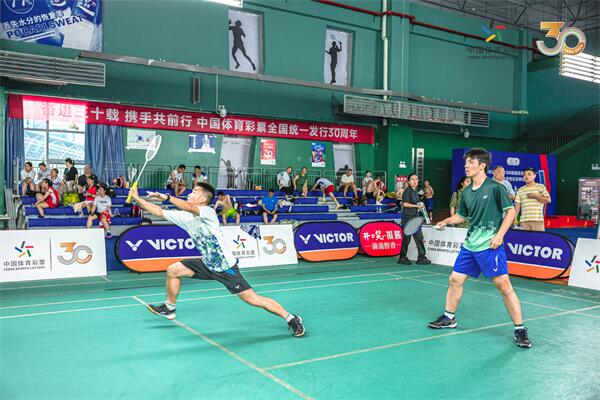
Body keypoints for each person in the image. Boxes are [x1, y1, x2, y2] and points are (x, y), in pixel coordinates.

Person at [128, 184, 305, 337]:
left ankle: (291, 318)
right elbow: (159, 211)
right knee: (173, 270)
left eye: (194, 191)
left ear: (202, 199)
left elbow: (190, 207)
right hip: (206, 264)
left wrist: (167, 197)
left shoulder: (208, 212)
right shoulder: (185, 217)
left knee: (253, 299)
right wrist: (137, 198)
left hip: (226, 268)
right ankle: (169, 308)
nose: (190, 193)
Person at [429, 148, 531, 348]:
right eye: (466, 163)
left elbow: (510, 212)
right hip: (470, 245)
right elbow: (462, 215)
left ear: (482, 165)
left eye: (470, 163)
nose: (466, 166)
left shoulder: (495, 188)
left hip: (490, 245)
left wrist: (499, 235)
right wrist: (446, 221)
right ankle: (449, 317)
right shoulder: (466, 191)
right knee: (455, 279)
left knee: (504, 286)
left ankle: (520, 329)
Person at [397, 173, 431, 265]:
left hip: (416, 218)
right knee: (406, 240)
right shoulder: (407, 191)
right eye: (412, 179)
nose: (415, 181)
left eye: (416, 179)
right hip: (408, 219)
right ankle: (402, 258)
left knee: (419, 238)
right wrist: (416, 206)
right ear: (408, 181)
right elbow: (405, 204)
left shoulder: (416, 191)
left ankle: (421, 257)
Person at [514, 167, 551, 231]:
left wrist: (535, 196)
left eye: (529, 174)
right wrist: (515, 218)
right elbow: (517, 206)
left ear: (534, 176)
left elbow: (548, 200)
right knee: (524, 237)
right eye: (524, 175)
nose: (526, 176)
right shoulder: (520, 190)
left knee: (539, 237)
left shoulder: (540, 187)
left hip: (537, 220)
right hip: (524, 221)